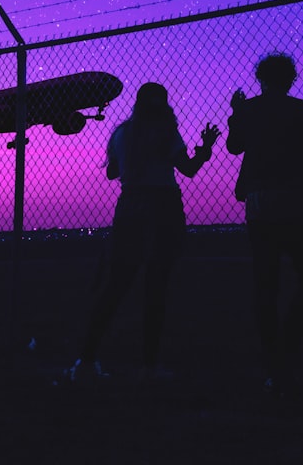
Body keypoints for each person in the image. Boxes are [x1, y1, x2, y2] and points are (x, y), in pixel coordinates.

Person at [66, 82, 219, 382]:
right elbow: (187, 169)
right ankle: (149, 366)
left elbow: (112, 172)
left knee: (116, 286)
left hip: (129, 207)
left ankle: (86, 360)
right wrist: (206, 149)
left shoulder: (122, 133)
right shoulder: (165, 132)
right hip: (162, 205)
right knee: (156, 286)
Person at [226, 52, 303, 396]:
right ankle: (288, 343)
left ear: (260, 78)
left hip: (258, 204)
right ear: (291, 79)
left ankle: (274, 360)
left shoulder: (249, 110)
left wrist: (237, 114)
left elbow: (234, 146)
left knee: (266, 285)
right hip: (294, 202)